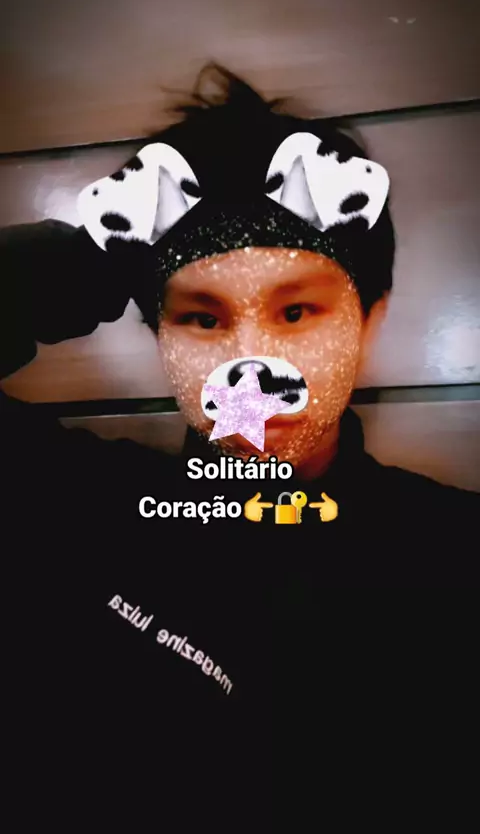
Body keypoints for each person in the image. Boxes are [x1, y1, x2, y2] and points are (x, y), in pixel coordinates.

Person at [0, 63, 478, 825]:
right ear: (157, 335)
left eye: (296, 312)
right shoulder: (63, 507)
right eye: (202, 318)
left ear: (372, 320)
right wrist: (81, 260)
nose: (250, 372)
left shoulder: (456, 557)